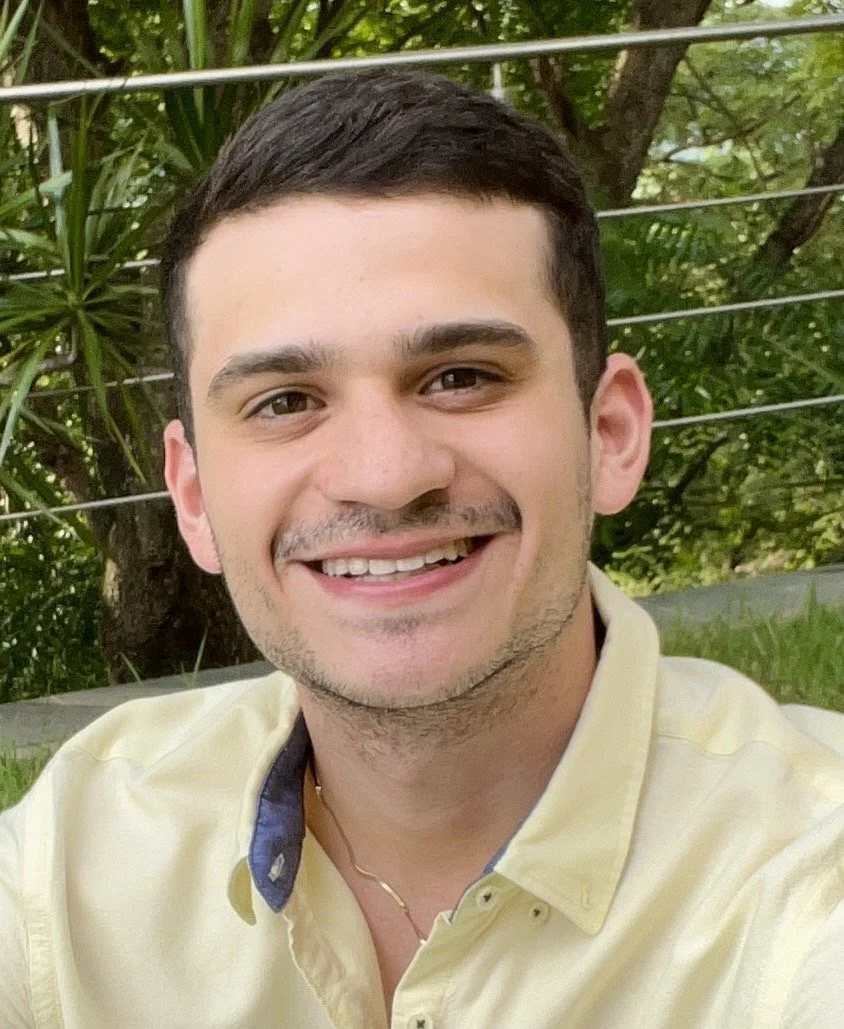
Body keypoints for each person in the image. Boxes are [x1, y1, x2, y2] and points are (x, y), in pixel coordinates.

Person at [1, 69, 842, 1029]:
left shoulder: (808, 879)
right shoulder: (70, 866)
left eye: (460, 375)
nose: (386, 473)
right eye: (285, 401)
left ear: (609, 433)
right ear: (192, 496)